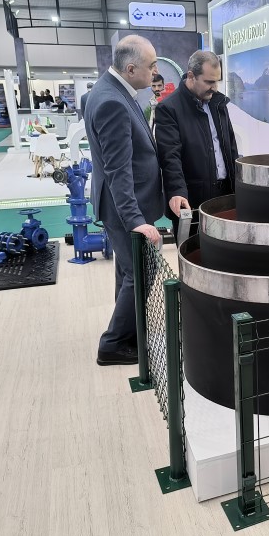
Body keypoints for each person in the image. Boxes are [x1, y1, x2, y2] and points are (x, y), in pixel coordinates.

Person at [85, 35, 163, 366]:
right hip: (125, 207)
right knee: (141, 272)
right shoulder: (112, 102)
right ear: (131, 69)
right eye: (151, 66)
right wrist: (136, 221)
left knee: (128, 270)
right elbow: (118, 170)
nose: (155, 72)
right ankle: (113, 344)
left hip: (124, 203)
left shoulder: (111, 91)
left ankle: (130, 332)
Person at [155, 50, 238, 240]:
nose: (214, 87)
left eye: (217, 81)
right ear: (191, 76)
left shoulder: (218, 104)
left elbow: (231, 147)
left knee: (227, 251)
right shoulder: (169, 109)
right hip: (191, 201)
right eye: (209, 82)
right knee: (195, 253)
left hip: (225, 196)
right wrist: (177, 191)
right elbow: (170, 157)